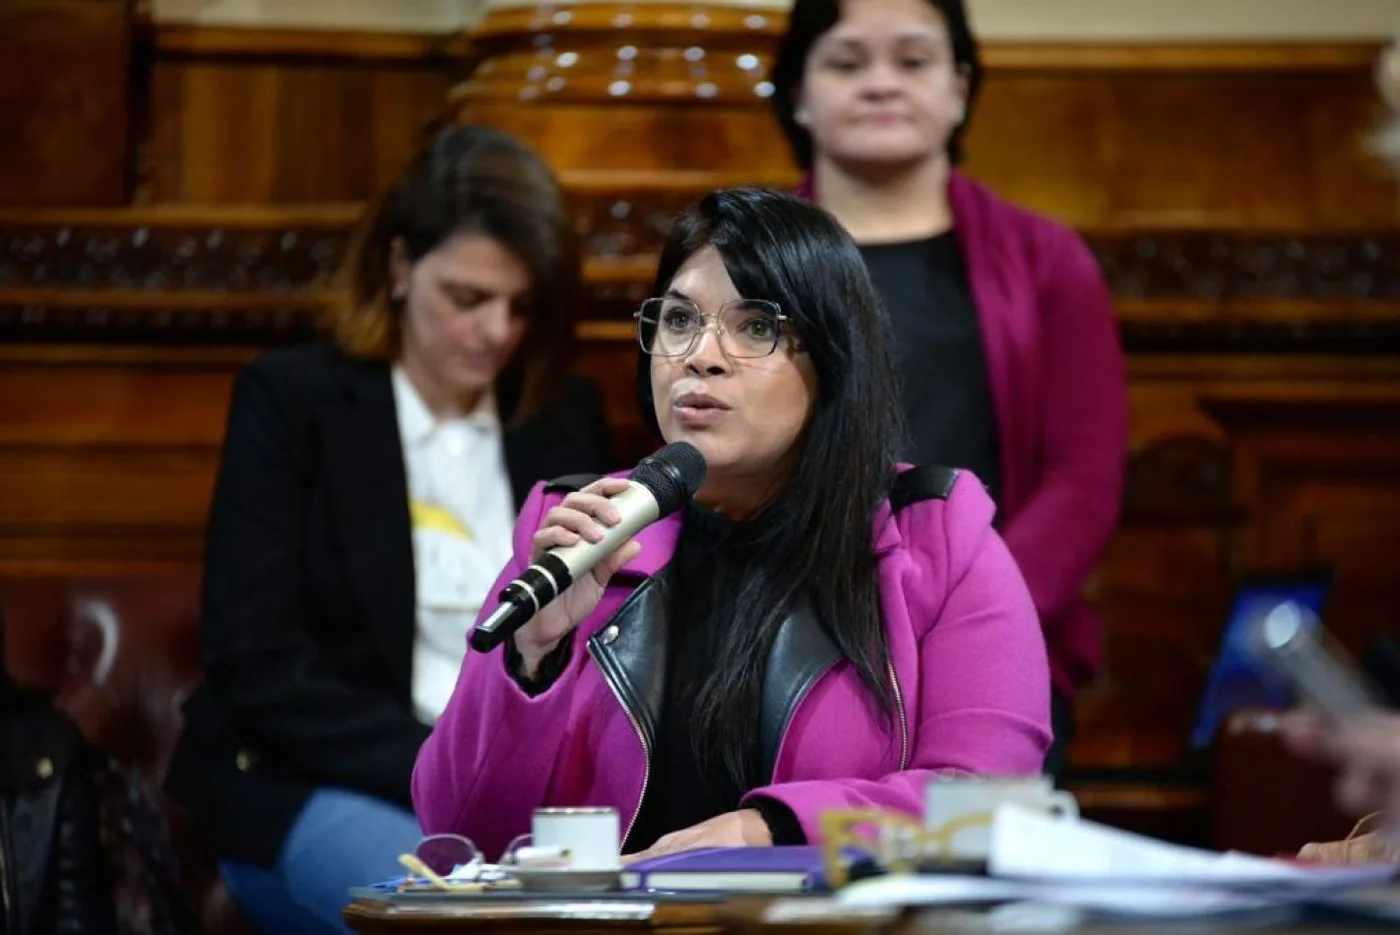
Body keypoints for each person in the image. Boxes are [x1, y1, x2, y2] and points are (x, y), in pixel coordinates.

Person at [412, 187, 1051, 863]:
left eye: (754, 327)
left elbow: (989, 804)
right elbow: (459, 836)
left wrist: (766, 831)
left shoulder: (937, 538)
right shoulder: (582, 529)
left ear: (834, 360)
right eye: (679, 320)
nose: (700, 356)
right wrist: (531, 659)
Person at [164, 125, 613, 934]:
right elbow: (258, 663)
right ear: (400, 267)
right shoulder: (291, 399)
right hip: (317, 777)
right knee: (454, 921)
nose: (497, 332)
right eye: (469, 298)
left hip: (518, 786)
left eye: (521, 306)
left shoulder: (557, 414)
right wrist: (444, 766)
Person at [767, 0, 1128, 779]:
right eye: (846, 62)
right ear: (796, 90)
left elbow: (1084, 480)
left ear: (961, 87)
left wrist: (975, 620)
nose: (881, 84)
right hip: (786, 654)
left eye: (914, 60)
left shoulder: (1046, 261)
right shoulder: (744, 266)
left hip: (1000, 644)